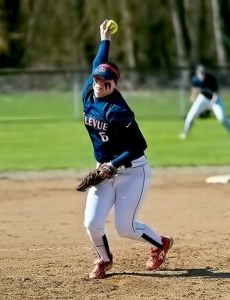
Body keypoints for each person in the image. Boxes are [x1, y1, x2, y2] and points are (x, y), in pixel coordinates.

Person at [81, 19, 173, 279]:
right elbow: (96, 64)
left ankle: (161, 243)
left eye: (105, 81)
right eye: (97, 79)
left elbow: (139, 145)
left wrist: (113, 164)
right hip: (105, 171)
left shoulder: (119, 111)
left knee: (125, 227)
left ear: (114, 84)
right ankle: (104, 259)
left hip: (133, 172)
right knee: (92, 223)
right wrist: (105, 40)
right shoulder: (88, 93)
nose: (99, 83)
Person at [179, 64, 230, 139]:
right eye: (199, 72)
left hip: (215, 100)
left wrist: (211, 105)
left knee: (222, 118)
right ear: (197, 72)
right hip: (202, 98)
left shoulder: (211, 79)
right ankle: (185, 134)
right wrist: (193, 100)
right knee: (190, 116)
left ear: (205, 72)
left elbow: (216, 94)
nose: (201, 74)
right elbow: (194, 90)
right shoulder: (195, 80)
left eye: (202, 72)